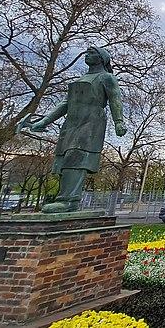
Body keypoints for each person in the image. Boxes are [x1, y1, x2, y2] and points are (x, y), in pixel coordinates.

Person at [23, 47, 126, 213]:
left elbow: (115, 99)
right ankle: (65, 198)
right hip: (71, 122)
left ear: (101, 58)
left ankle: (69, 200)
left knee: (76, 156)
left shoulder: (107, 77)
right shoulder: (83, 77)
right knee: (64, 159)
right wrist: (44, 121)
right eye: (86, 52)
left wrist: (119, 121)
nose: (87, 55)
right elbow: (65, 104)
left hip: (91, 121)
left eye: (91, 53)